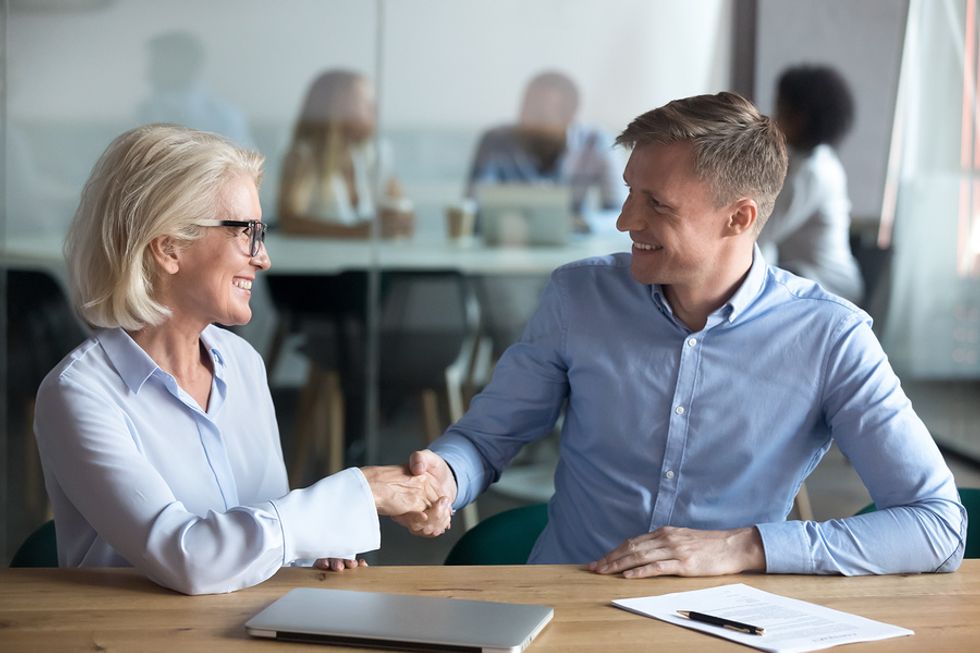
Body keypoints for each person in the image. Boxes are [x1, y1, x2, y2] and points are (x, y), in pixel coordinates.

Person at [395, 92, 967, 577]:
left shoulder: (830, 337)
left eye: (656, 204)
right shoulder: (577, 297)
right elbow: (485, 440)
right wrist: (444, 476)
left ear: (738, 218)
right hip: (567, 602)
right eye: (628, 192)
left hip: (727, 616)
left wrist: (745, 547)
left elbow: (937, 523)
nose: (624, 221)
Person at [33, 124, 448, 596]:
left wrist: (314, 543)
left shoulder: (242, 362)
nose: (264, 257)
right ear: (169, 247)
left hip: (253, 626)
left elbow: (261, 524)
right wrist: (359, 493)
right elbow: (187, 558)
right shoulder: (79, 395)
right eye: (247, 233)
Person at [758, 65, 863, 304]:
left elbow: (759, 230)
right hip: (809, 276)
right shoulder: (812, 160)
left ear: (800, 118)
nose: (774, 119)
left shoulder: (812, 174)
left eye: (780, 111)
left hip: (831, 288)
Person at [466, 70, 624, 219]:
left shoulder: (596, 142)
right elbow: (473, 206)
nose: (527, 119)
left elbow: (618, 212)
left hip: (575, 239)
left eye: (540, 113)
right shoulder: (495, 141)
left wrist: (582, 224)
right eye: (525, 107)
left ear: (569, 117)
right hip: (509, 238)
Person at [278, 69, 412, 238]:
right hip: (315, 263)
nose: (375, 111)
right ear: (339, 107)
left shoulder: (367, 156)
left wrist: (399, 219)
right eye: (366, 103)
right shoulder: (303, 158)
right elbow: (289, 222)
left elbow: (400, 205)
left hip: (353, 262)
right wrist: (356, 233)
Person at [137, 31, 255, 149]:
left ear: (184, 65)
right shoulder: (147, 110)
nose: (147, 75)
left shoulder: (223, 117)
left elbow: (242, 164)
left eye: (157, 64)